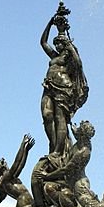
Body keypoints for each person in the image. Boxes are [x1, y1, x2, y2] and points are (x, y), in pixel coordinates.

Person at [40, 12, 88, 155]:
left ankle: (57, 151)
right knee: (47, 115)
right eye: (56, 43)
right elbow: (43, 42)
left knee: (59, 118)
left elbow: (79, 64)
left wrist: (70, 46)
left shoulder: (69, 58)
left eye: (60, 43)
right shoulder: (55, 56)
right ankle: (53, 145)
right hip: (49, 87)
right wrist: (50, 23)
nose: (57, 46)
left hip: (64, 88)